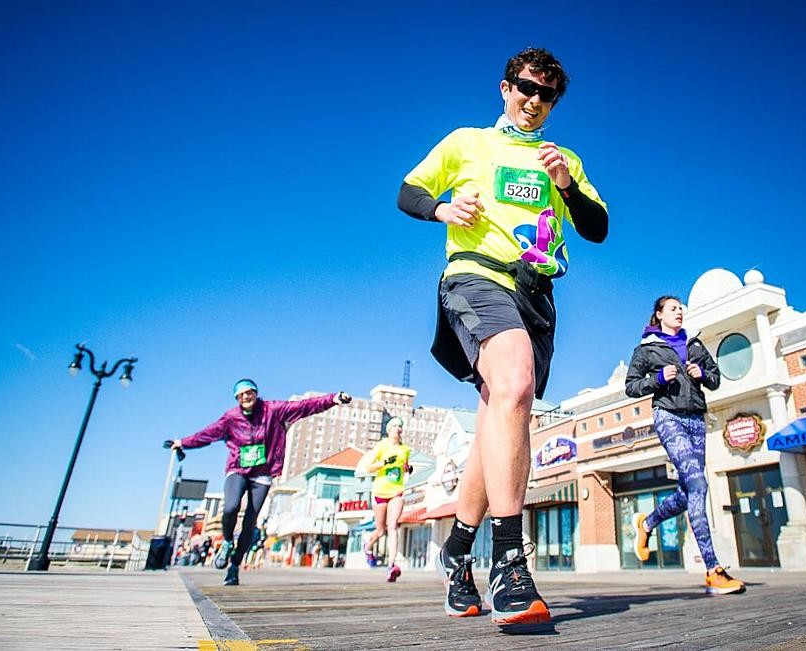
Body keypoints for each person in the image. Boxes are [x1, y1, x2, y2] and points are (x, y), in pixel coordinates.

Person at [397, 47, 608, 624]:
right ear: (505, 87)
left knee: (499, 415)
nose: (534, 100)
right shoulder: (467, 142)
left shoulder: (563, 159)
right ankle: (510, 561)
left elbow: (597, 228)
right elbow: (408, 192)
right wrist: (443, 210)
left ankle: (457, 550)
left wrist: (567, 186)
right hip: (475, 276)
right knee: (514, 383)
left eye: (547, 94)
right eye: (526, 87)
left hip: (536, 294)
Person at [171, 379, 352, 585]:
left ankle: (234, 567)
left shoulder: (272, 410)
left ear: (256, 394)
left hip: (263, 474)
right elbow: (208, 434)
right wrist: (183, 443)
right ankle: (228, 542)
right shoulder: (231, 418)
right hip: (238, 469)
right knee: (231, 507)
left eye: (249, 393)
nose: (246, 397)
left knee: (250, 521)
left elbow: (303, 407)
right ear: (237, 398)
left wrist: (333, 399)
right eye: (241, 395)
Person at [624, 296, 745, 595]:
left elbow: (715, 378)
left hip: (696, 419)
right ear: (659, 314)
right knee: (699, 484)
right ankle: (713, 570)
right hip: (668, 416)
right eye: (673, 308)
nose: (679, 312)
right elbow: (631, 386)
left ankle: (647, 523)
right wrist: (657, 379)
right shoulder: (647, 349)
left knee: (687, 492)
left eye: (681, 309)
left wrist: (702, 374)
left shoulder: (695, 345)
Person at [362, 417, 412, 582]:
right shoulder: (382, 446)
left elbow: (405, 467)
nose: (398, 428)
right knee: (380, 530)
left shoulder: (405, 449)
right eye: (395, 426)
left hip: (396, 491)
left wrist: (408, 469)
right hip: (380, 491)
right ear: (389, 430)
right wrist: (384, 462)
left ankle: (391, 565)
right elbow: (368, 468)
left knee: (393, 526)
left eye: (400, 426)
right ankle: (368, 547)